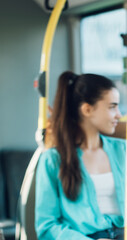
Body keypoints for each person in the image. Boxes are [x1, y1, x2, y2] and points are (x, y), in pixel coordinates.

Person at [35, 71, 125, 240]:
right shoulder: (53, 160)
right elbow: (46, 227)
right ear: (87, 109)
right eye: (112, 107)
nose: (119, 115)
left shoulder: (124, 151)